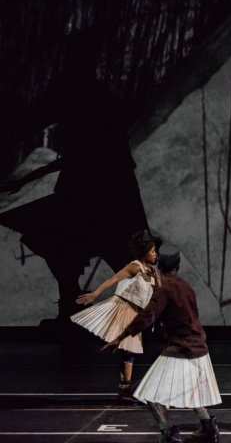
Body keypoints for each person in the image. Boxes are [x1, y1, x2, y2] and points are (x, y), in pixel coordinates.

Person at [0, 31, 148, 322]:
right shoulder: (96, 95)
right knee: (82, 243)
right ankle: (75, 302)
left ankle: (81, 302)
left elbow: (37, 123)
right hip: (106, 187)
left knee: (80, 242)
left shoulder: (78, 94)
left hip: (93, 189)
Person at [102, 244, 221, 443]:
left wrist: (121, 337)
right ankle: (209, 428)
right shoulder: (186, 287)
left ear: (159, 265)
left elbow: (146, 317)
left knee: (150, 394)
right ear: (178, 266)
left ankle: (170, 433)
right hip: (198, 347)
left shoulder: (165, 291)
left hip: (180, 349)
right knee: (192, 391)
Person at [71, 229, 159, 402]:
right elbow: (113, 279)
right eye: (152, 251)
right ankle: (125, 391)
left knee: (128, 351)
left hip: (136, 313)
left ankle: (124, 390)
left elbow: (160, 295)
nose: (155, 254)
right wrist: (95, 294)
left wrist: (156, 278)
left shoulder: (151, 271)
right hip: (124, 308)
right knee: (130, 350)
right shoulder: (135, 266)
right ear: (144, 253)